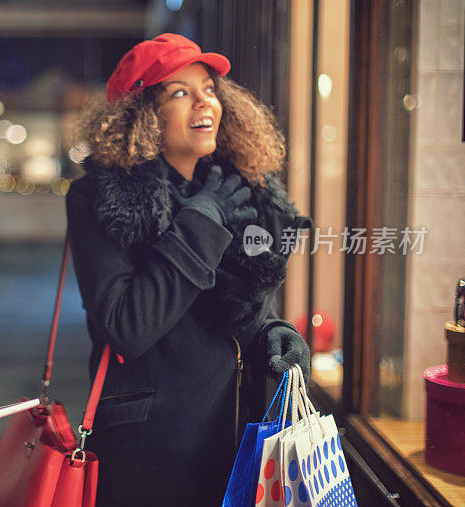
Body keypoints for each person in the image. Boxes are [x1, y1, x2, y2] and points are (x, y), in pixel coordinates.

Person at [66, 33, 312, 505]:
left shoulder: (241, 190)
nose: (205, 102)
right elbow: (127, 326)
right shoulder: (100, 199)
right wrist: (200, 221)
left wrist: (275, 334)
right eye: (179, 92)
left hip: (241, 441)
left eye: (210, 89)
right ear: (140, 116)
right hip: (152, 456)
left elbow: (242, 317)